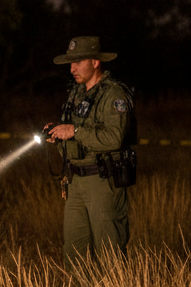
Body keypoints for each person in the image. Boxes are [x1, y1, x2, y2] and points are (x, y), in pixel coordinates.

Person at [45, 36, 138, 267]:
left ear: (95, 62)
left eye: (77, 62)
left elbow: (114, 138)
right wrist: (57, 135)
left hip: (103, 182)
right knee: (73, 253)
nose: (72, 68)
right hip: (75, 182)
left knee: (109, 254)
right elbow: (75, 138)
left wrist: (74, 130)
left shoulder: (113, 95)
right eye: (70, 63)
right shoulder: (76, 94)